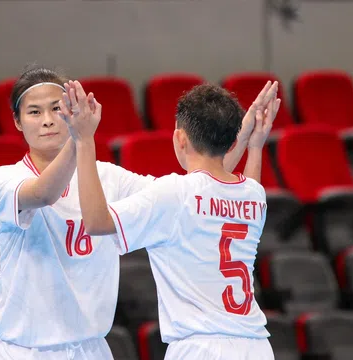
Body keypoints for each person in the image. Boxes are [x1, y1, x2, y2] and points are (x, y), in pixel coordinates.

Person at [0, 65, 278, 359]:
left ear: (72, 111)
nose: (48, 120)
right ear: (17, 121)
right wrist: (81, 140)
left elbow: (198, 192)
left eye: (57, 109)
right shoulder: (3, 178)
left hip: (91, 347)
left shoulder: (108, 176)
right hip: (25, 349)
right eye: (35, 112)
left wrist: (241, 139)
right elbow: (44, 193)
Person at [67, 82, 280, 359]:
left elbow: (96, 223)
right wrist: (254, 146)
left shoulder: (173, 194)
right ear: (231, 140)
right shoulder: (254, 195)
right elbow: (217, 186)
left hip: (200, 347)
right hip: (257, 346)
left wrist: (84, 141)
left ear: (180, 138)